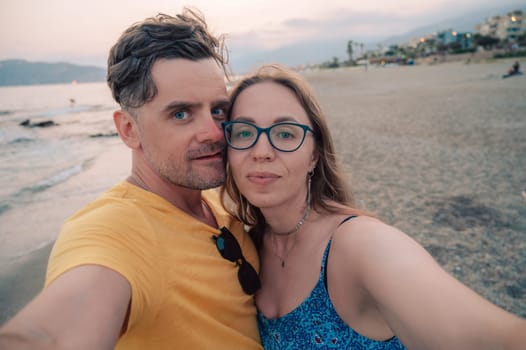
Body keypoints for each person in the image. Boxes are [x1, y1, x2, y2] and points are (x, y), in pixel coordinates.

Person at [0, 9, 262, 350]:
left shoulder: (217, 202)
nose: (213, 132)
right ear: (128, 129)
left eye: (217, 110)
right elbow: (52, 333)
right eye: (180, 114)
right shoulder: (114, 230)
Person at [220, 64, 526, 349]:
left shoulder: (358, 244)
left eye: (285, 133)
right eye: (244, 132)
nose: (261, 151)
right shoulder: (250, 245)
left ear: (314, 155)